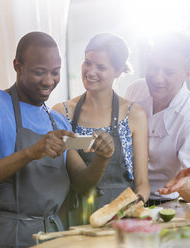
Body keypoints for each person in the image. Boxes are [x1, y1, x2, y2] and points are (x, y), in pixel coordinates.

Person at [0, 32, 115, 247]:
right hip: (7, 234)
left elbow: (82, 182)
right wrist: (30, 153)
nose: (49, 81)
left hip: (54, 235)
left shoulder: (58, 121)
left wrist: (102, 158)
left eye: (55, 72)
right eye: (39, 72)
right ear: (18, 66)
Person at [53, 33, 150, 226]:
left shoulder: (133, 115)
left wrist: (134, 206)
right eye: (87, 62)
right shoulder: (62, 112)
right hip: (74, 219)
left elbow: (142, 183)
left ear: (118, 71)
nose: (90, 71)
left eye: (101, 67)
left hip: (120, 219)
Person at [125, 30, 190, 205]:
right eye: (154, 67)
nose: (158, 77)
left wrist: (185, 185)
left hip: (163, 202)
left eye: (169, 72)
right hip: (124, 196)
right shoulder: (135, 90)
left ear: (187, 73)